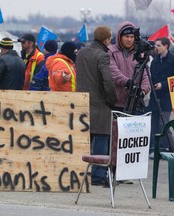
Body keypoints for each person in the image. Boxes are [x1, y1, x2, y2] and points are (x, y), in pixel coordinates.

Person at [75, 25, 117, 186]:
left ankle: (82, 172)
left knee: (86, 139)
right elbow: (108, 81)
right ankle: (98, 176)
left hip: (82, 102)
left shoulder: (82, 53)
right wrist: (111, 100)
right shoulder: (103, 56)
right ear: (107, 40)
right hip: (99, 104)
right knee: (101, 138)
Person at [108, 21, 151, 113]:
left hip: (135, 103)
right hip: (115, 103)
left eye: (132, 37)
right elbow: (113, 73)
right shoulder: (111, 51)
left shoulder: (140, 53)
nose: (129, 40)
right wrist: (129, 83)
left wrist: (143, 91)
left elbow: (146, 75)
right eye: (126, 37)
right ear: (120, 37)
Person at [147, 37, 174, 158]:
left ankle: (171, 147)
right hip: (154, 96)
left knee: (164, 124)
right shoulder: (154, 61)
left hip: (166, 97)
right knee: (154, 125)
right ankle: (157, 149)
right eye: (156, 45)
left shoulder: (172, 60)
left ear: (166, 46)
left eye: (159, 45)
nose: (156, 48)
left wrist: (163, 85)